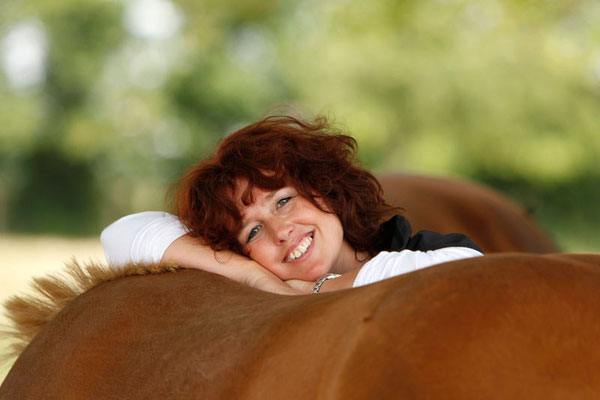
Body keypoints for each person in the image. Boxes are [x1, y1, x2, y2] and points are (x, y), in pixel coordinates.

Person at [101, 116, 482, 295]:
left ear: (325, 189)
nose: (280, 232)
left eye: (283, 201)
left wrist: (321, 290)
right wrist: (255, 278)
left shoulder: (424, 249)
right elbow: (119, 236)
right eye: (252, 231)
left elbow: (470, 271)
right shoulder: (264, 287)